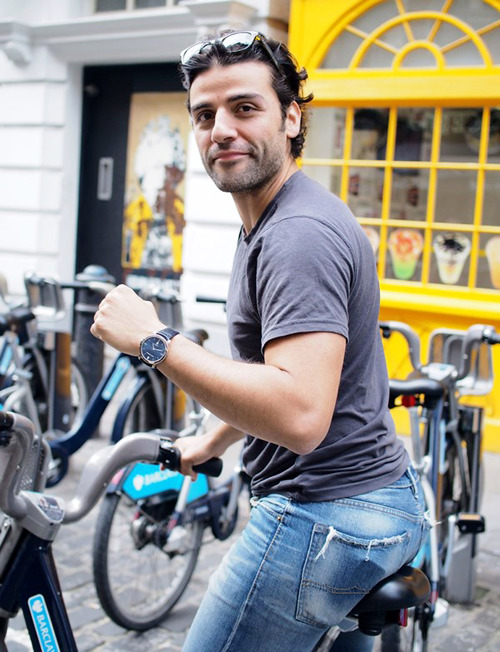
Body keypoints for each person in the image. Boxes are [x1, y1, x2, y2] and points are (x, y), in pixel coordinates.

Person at [91, 30, 429, 652]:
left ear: (291, 117)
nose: (220, 128)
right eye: (204, 114)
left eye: (244, 108)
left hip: (325, 515)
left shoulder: (297, 234)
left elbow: (299, 414)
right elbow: (269, 371)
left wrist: (154, 341)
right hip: (375, 502)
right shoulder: (272, 218)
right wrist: (207, 441)